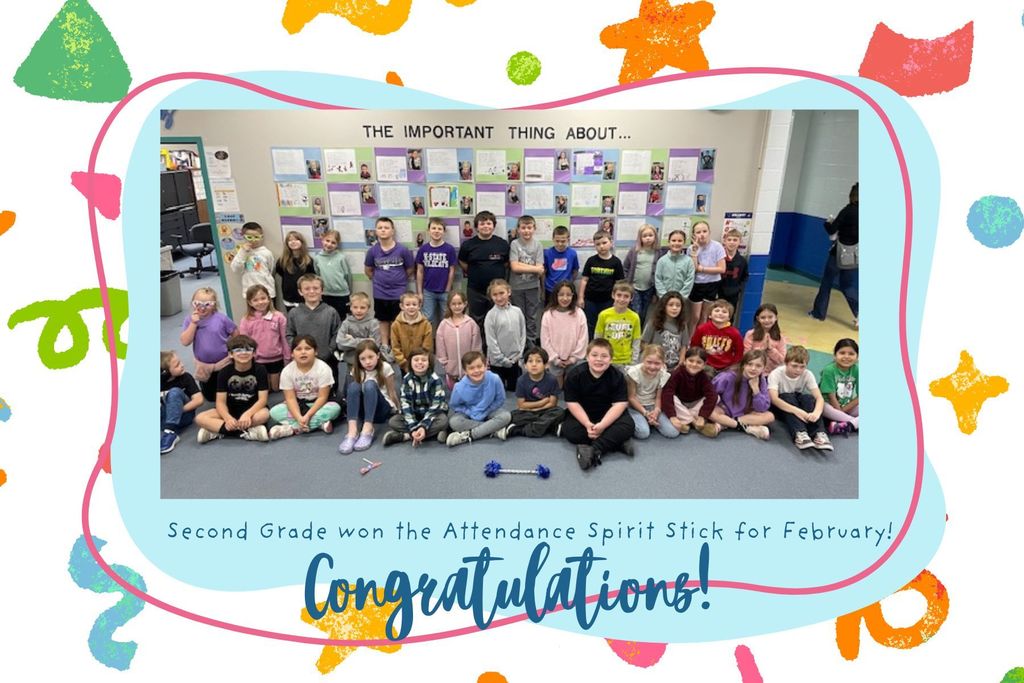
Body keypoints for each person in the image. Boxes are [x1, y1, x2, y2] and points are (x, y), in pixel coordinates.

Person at [562, 339, 636, 470]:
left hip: (608, 415)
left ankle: (595, 449)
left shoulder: (617, 376)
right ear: (587, 357)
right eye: (594, 355)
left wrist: (602, 425)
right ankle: (616, 443)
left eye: (604, 356)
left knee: (628, 426)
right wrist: (587, 423)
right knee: (570, 431)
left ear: (611, 359)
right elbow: (572, 403)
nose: (599, 359)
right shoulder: (575, 375)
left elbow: (620, 404)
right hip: (585, 415)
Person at [194, 334, 270, 443]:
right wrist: (227, 418)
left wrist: (247, 414)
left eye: (248, 350)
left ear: (254, 354)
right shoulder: (224, 372)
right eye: (238, 350)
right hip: (230, 410)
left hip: (252, 410)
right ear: (230, 354)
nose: (243, 353)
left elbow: (262, 400)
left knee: (265, 415)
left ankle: (218, 431)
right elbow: (220, 402)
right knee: (200, 418)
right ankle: (247, 432)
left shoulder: (260, 370)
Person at [268, 336, 341, 439]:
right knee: (274, 411)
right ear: (292, 354)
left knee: (335, 408)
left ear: (315, 352)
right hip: (298, 405)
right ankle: (318, 424)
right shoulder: (287, 371)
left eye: (307, 348)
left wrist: (307, 416)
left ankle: (292, 429)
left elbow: (322, 397)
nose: (303, 352)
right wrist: (298, 417)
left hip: (318, 405)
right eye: (298, 349)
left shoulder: (323, 368)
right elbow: (290, 398)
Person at [810, 182, 859, 327]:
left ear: (852, 195)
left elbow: (832, 230)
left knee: (827, 283)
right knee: (848, 286)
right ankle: (860, 313)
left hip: (837, 253)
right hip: (854, 254)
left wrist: (827, 223)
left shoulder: (848, 210)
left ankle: (819, 313)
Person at [339, 340, 400, 453]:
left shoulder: (385, 367)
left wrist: (398, 410)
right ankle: (352, 431)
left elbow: (392, 392)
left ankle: (368, 429)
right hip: (364, 410)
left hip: (381, 409)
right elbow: (352, 395)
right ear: (358, 360)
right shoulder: (356, 370)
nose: (368, 362)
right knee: (354, 386)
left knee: (370, 384)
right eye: (363, 359)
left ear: (377, 355)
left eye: (371, 357)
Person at [768, 345, 833, 451]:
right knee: (787, 396)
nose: (798, 370)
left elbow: (819, 398)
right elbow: (774, 399)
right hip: (780, 404)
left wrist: (816, 413)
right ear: (786, 363)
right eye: (794, 366)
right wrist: (798, 411)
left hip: (795, 401)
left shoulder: (807, 374)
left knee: (808, 398)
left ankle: (819, 433)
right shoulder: (776, 374)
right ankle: (800, 433)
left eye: (802, 367)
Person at [458, 210, 510, 341]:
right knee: (477, 321)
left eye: (489, 223)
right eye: (482, 223)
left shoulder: (502, 244)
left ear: (493, 226)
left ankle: (497, 348)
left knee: (499, 320)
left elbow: (506, 263)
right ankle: (480, 349)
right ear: (476, 227)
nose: (485, 226)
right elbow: (463, 263)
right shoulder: (468, 245)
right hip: (475, 290)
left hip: (498, 292)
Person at [364, 216, 415, 348]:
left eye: (386, 228)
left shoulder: (402, 250)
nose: (383, 230)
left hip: (398, 293)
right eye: (380, 228)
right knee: (383, 320)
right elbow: (368, 270)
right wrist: (378, 280)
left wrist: (400, 278)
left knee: (397, 320)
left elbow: (410, 269)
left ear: (392, 231)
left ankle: (397, 345)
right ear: (376, 231)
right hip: (380, 292)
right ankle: (385, 345)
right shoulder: (373, 251)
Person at [382, 348, 450, 447]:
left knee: (443, 421)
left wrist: (423, 426)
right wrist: (413, 427)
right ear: (410, 363)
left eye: (423, 360)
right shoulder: (407, 379)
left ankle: (406, 436)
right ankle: (427, 434)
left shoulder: (435, 380)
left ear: (429, 363)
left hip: (433, 414)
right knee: (393, 422)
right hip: (416, 414)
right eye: (416, 360)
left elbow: (435, 407)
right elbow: (406, 405)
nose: (419, 363)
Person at [180, 287, 236, 402]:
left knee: (229, 392)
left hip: (224, 363)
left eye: (207, 304)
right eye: (198, 303)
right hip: (203, 366)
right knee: (210, 397)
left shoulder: (221, 319)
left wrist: (235, 350)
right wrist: (194, 323)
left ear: (214, 305)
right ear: (193, 303)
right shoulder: (189, 320)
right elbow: (185, 342)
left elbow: (236, 332)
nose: (202, 307)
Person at [446, 351, 512, 447]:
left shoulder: (494, 379)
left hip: (490, 410)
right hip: (470, 413)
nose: (476, 371)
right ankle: (492, 430)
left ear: (485, 366)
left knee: (506, 416)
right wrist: (470, 412)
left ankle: (469, 435)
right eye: (471, 368)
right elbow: (455, 405)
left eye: (479, 366)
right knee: (454, 422)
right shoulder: (459, 387)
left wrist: (485, 411)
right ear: (465, 371)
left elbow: (500, 399)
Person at [498, 347, 565, 439]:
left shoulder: (552, 379)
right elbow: (521, 405)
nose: (534, 364)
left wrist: (538, 409)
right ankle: (549, 427)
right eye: (530, 361)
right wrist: (541, 402)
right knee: (512, 416)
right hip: (528, 411)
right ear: (525, 365)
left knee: (560, 412)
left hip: (546, 410)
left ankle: (520, 430)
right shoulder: (521, 380)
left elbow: (552, 403)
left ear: (546, 365)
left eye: (538, 361)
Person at [710, 350, 775, 440]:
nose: (753, 368)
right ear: (743, 365)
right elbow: (710, 393)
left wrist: (756, 390)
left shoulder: (761, 380)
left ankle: (726, 424)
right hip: (724, 411)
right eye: (749, 364)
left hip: (745, 414)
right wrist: (718, 405)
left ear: (764, 368)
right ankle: (747, 428)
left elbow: (762, 408)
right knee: (710, 411)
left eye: (758, 366)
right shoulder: (728, 376)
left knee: (770, 416)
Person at [286, 274, 341, 378]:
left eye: (315, 288)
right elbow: (289, 334)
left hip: (327, 358)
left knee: (328, 388)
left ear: (322, 290)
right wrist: (298, 350)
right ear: (300, 291)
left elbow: (337, 333)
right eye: (307, 289)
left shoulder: (331, 312)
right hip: (303, 359)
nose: (311, 291)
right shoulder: (294, 313)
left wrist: (329, 350)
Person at [238, 284, 289, 392]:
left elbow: (285, 339)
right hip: (258, 360)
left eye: (263, 298)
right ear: (249, 302)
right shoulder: (246, 320)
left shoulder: (278, 317)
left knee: (276, 388)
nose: (260, 302)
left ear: (269, 298)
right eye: (255, 300)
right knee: (265, 389)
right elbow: (245, 342)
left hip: (277, 358)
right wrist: (249, 358)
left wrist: (287, 357)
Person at [660, 346, 719, 437]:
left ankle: (686, 419)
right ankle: (694, 422)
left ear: (704, 365)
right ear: (685, 361)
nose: (694, 364)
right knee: (669, 397)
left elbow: (712, 395)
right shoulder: (677, 373)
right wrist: (672, 416)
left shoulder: (703, 376)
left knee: (717, 397)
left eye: (699, 362)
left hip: (694, 404)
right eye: (691, 361)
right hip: (680, 404)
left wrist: (703, 416)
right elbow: (668, 393)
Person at [540, 281, 588, 387]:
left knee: (571, 388)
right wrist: (554, 359)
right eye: (561, 295)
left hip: (573, 359)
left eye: (568, 295)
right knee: (557, 390)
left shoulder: (579, 313)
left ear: (573, 296)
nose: (565, 298)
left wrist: (573, 358)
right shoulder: (548, 315)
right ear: (555, 296)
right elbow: (545, 339)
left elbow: (583, 338)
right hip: (554, 360)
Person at [625, 344, 678, 440]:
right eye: (649, 362)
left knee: (673, 432)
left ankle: (650, 421)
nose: (652, 366)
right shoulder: (634, 373)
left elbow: (658, 397)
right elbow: (631, 397)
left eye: (657, 363)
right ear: (643, 360)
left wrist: (656, 411)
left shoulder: (663, 374)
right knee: (643, 434)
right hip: (635, 407)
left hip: (652, 406)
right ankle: (642, 421)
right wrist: (645, 413)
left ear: (662, 363)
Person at [578, 231, 624, 338]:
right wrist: (581, 298)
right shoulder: (591, 261)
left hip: (608, 301)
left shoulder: (616, 262)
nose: (601, 246)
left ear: (611, 242)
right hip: (590, 300)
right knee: (590, 324)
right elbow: (584, 280)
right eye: (598, 244)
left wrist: (616, 300)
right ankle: (591, 347)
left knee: (607, 324)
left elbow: (619, 284)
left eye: (604, 243)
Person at [415, 217, 457, 330]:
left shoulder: (449, 249)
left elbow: (452, 270)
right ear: (428, 230)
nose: (436, 231)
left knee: (447, 319)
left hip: (445, 291)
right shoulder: (423, 249)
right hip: (428, 291)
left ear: (444, 231)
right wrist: (420, 292)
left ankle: (446, 345)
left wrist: (447, 289)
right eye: (433, 228)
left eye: (439, 228)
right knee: (427, 319)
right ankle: (427, 346)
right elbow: (419, 271)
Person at [509, 215, 545, 346]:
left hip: (533, 287)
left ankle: (530, 346)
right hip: (517, 287)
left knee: (532, 317)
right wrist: (534, 268)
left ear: (534, 228)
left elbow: (541, 269)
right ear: (518, 229)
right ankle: (520, 345)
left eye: (529, 227)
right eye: (523, 227)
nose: (526, 231)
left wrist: (528, 267)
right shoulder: (514, 244)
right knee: (518, 317)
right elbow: (514, 267)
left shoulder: (538, 245)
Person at [484, 279, 526, 391]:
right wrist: (502, 359)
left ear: (509, 292)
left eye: (501, 293)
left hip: (515, 360)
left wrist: (519, 354)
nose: (499, 298)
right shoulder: (490, 315)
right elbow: (491, 341)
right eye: (495, 295)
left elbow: (523, 334)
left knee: (514, 391)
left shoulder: (517, 311)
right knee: (499, 393)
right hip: (498, 363)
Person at [434, 291, 481, 389]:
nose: (457, 306)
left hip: (469, 368)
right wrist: (444, 361)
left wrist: (475, 359)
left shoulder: (471, 323)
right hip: (451, 368)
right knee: (454, 393)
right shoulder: (444, 324)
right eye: (454, 304)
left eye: (459, 303)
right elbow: (440, 344)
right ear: (449, 305)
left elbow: (476, 343)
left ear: (465, 304)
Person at [160, 351, 203, 454]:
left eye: (180, 362)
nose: (182, 365)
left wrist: (176, 409)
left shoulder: (186, 377)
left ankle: (170, 433)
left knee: (174, 392)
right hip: (163, 418)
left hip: (184, 416)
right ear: (165, 372)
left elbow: (199, 400)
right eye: (177, 365)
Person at [595, 281, 642, 368]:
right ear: (613, 295)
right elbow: (598, 338)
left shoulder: (634, 317)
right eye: (619, 295)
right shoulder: (604, 315)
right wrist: (599, 357)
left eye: (626, 296)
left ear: (631, 298)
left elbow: (636, 341)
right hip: (607, 359)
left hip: (625, 361)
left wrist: (633, 362)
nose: (622, 299)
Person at [622, 224, 663, 324]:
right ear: (640, 238)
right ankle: (633, 332)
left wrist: (655, 293)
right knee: (636, 312)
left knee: (644, 312)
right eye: (644, 236)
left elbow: (659, 274)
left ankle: (639, 334)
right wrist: (628, 284)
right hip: (634, 287)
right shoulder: (634, 251)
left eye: (650, 235)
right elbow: (625, 267)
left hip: (649, 288)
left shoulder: (658, 252)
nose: (648, 238)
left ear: (655, 237)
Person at [688, 220, 726, 327]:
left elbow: (722, 269)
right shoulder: (691, 248)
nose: (702, 234)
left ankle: (700, 340)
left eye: (704, 231)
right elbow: (694, 268)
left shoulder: (717, 246)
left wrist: (703, 268)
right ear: (694, 235)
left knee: (705, 315)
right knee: (695, 316)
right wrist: (694, 252)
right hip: (697, 284)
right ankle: (689, 341)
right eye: (698, 232)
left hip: (712, 284)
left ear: (709, 232)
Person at [689, 299, 744, 373]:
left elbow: (739, 352)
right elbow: (695, 346)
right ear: (710, 315)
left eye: (724, 312)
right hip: (706, 365)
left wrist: (732, 366)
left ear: (729, 317)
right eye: (717, 311)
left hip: (726, 367)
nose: (720, 313)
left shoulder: (734, 333)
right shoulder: (702, 329)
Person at [819, 338, 859, 432]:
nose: (846, 357)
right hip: (829, 405)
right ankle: (853, 423)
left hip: (846, 405)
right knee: (823, 408)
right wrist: (839, 411)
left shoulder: (857, 369)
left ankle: (844, 424)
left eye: (851, 354)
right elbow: (831, 396)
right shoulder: (829, 370)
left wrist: (843, 410)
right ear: (834, 355)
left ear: (857, 357)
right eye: (842, 353)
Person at [641, 291, 688, 370]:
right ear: (664, 306)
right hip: (656, 365)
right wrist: (653, 361)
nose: (674, 308)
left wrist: (680, 363)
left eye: (678, 305)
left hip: (674, 366)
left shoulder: (682, 324)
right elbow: (644, 343)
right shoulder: (653, 322)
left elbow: (684, 346)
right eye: (671, 305)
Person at [313, 229, 353, 322]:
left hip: (342, 294)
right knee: (327, 318)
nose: (329, 244)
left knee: (342, 318)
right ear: (322, 240)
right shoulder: (317, 258)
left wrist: (349, 291)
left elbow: (348, 276)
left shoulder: (341, 258)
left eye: (333, 242)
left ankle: (341, 336)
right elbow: (317, 276)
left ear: (337, 245)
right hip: (326, 294)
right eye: (327, 241)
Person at [229, 221, 276, 299]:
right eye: (249, 237)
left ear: (261, 237)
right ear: (244, 237)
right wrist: (243, 253)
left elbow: (271, 269)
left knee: (269, 311)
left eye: (256, 237)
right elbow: (236, 269)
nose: (253, 240)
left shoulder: (267, 253)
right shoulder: (241, 253)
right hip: (250, 292)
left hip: (267, 292)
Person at [391, 291, 434, 374]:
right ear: (401, 306)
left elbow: (427, 345)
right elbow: (395, 345)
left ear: (419, 306)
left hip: (421, 362)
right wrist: (402, 362)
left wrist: (420, 360)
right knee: (407, 383)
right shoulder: (396, 325)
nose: (411, 307)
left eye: (414, 304)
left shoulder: (426, 324)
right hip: (404, 363)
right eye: (407, 305)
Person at [276, 230, 316, 309]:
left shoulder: (308, 260)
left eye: (296, 239)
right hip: (289, 297)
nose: (293, 242)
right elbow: (280, 272)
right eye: (290, 240)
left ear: (302, 242)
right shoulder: (282, 260)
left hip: (304, 298)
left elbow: (312, 277)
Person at [743, 303, 787, 374]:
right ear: (758, 319)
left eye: (770, 317)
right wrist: (761, 350)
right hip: (752, 372)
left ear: (776, 318)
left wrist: (770, 350)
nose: (767, 320)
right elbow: (745, 355)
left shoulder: (780, 338)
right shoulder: (750, 334)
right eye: (763, 317)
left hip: (771, 374)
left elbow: (782, 360)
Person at [654, 229, 695, 302]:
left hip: (681, 300)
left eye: (680, 241)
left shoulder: (689, 261)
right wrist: (664, 296)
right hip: (664, 299)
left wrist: (681, 297)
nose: (676, 243)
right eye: (673, 240)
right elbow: (658, 279)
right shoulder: (662, 261)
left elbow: (689, 281)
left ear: (684, 242)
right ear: (669, 242)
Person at [543, 225, 579, 304]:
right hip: (550, 289)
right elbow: (544, 272)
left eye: (563, 241)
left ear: (568, 240)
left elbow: (575, 271)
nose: (560, 244)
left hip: (566, 290)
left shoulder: (572, 253)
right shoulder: (547, 253)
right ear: (553, 239)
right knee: (550, 311)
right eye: (557, 241)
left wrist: (569, 282)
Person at [719, 228, 748, 322]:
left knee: (730, 316)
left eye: (735, 240)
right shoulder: (720, 258)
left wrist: (738, 288)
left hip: (733, 294)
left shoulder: (742, 261)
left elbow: (745, 276)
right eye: (729, 240)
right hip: (719, 292)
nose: (732, 242)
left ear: (740, 242)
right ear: (725, 241)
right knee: (717, 314)